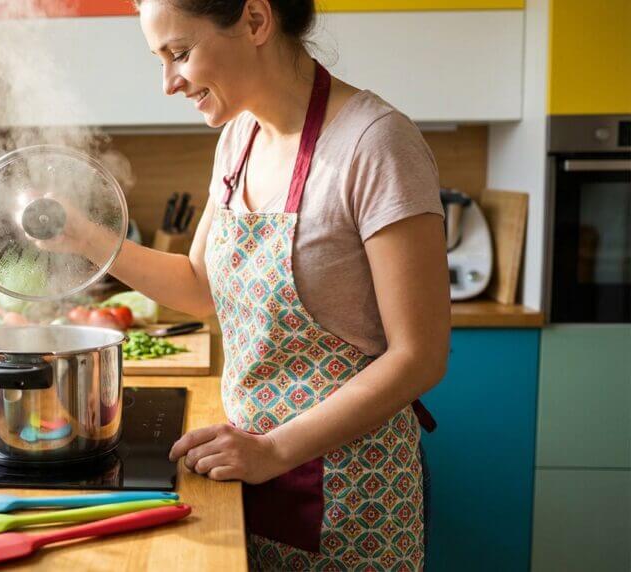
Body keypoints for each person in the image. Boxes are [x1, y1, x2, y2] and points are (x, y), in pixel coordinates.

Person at [96, 0, 451, 569]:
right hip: (252, 474)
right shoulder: (239, 139)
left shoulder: (376, 144)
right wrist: (84, 236)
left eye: (180, 54)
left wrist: (275, 449)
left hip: (348, 495)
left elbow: (421, 356)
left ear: (256, 20)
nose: (169, 82)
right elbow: (198, 286)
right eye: (159, 60)